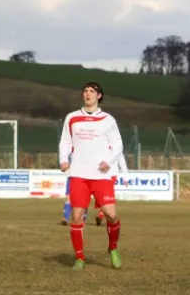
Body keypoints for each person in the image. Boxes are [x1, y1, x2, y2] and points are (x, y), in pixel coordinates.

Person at [59, 81, 123, 270]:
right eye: (85, 91)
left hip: (101, 175)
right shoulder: (72, 118)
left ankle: (113, 248)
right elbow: (65, 142)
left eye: (92, 91)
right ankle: (79, 258)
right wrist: (63, 159)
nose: (88, 94)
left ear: (99, 96)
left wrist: (109, 161)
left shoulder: (108, 119)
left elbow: (118, 145)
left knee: (111, 215)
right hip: (78, 173)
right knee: (77, 216)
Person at [60, 152, 128, 226]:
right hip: (81, 175)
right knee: (77, 198)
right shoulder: (77, 143)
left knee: (104, 202)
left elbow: (121, 158)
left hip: (106, 175)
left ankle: (98, 216)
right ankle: (67, 219)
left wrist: (125, 176)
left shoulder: (114, 145)